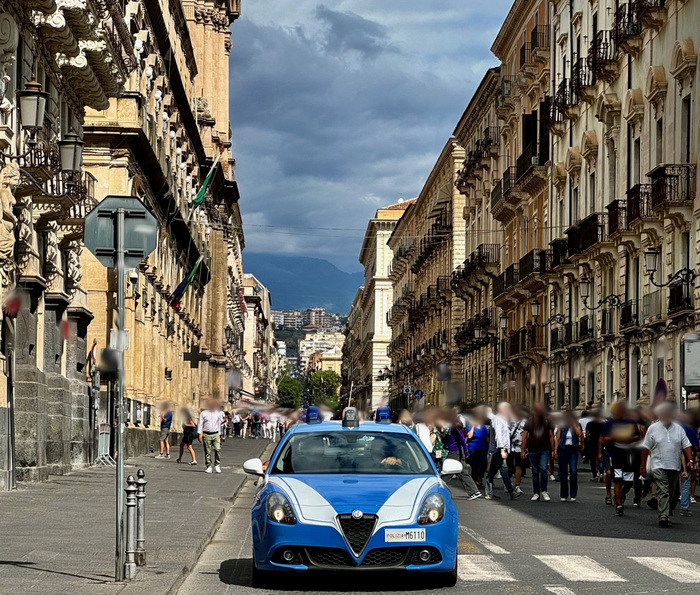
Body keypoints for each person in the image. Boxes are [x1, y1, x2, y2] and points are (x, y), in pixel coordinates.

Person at [641, 402, 692, 527]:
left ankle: (667, 512)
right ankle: (663, 516)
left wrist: (690, 461)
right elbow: (645, 448)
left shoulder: (678, 429)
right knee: (663, 491)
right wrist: (642, 466)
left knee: (673, 493)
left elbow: (687, 445)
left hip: (674, 466)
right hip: (658, 465)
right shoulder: (653, 428)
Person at [601, 400, 642, 516]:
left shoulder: (630, 423)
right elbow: (603, 439)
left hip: (628, 456)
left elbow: (637, 436)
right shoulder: (609, 424)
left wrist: (627, 437)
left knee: (628, 482)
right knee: (617, 481)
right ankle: (619, 505)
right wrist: (614, 437)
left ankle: (619, 495)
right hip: (615, 455)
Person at [485, 402, 520, 501]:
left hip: (501, 449)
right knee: (504, 470)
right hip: (498, 449)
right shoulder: (497, 419)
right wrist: (502, 449)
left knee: (492, 471)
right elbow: (498, 435)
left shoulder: (503, 420)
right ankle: (511, 491)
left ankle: (489, 492)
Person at [522, 402, 554, 501]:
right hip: (532, 449)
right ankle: (536, 492)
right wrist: (523, 450)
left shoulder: (547, 421)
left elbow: (551, 436)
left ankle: (544, 490)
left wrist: (553, 450)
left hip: (544, 449)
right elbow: (524, 436)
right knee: (535, 472)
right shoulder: (529, 422)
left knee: (543, 469)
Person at [443, 418, 482, 500]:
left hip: (455, 452)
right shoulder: (453, 427)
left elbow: (462, 440)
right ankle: (474, 491)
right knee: (463, 472)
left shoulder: (455, 427)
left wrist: (466, 452)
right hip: (457, 451)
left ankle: (438, 488)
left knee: (447, 470)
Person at [554, 410, 583, 502]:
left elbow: (579, 434)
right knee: (563, 472)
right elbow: (557, 438)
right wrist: (555, 450)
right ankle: (564, 494)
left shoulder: (576, 424)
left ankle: (573, 494)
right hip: (562, 449)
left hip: (573, 449)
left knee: (573, 471)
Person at [678, 411, 698, 517]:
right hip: (686, 460)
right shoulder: (690, 431)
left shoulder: (674, 429)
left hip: (673, 460)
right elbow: (695, 447)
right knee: (686, 484)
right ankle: (684, 507)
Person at [198, 399, 226, 473]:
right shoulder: (203, 413)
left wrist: (221, 435)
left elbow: (220, 423)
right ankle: (209, 466)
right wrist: (199, 434)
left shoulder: (218, 413)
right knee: (207, 451)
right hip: (206, 434)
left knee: (217, 449)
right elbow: (200, 424)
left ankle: (217, 464)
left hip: (216, 433)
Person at [465, 409, 490, 486]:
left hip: (483, 448)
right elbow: (469, 436)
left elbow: (486, 437)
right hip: (473, 448)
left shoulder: (483, 427)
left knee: (483, 464)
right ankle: (475, 479)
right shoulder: (469, 427)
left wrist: (490, 446)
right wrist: (472, 426)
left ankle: (480, 477)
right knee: (474, 465)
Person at [508, 405, 527, 495]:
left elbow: (526, 435)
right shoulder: (508, 421)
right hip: (509, 447)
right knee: (509, 467)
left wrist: (525, 448)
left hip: (520, 448)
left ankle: (517, 485)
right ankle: (507, 483)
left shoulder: (525, 422)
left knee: (519, 466)